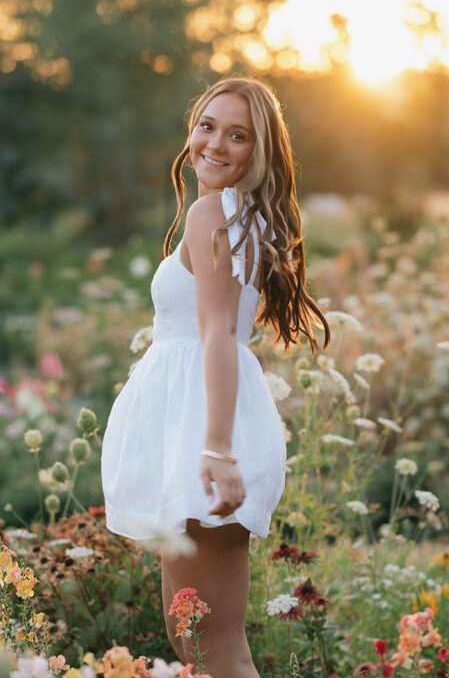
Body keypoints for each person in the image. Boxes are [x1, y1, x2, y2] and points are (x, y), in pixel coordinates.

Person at [100, 76, 330, 676]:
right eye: (207, 126)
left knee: (211, 644)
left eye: (238, 135)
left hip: (204, 433)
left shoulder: (213, 214)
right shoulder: (234, 215)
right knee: (196, 639)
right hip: (191, 431)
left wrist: (218, 449)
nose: (215, 144)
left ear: (260, 152)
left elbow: (218, 337)